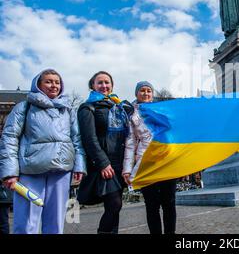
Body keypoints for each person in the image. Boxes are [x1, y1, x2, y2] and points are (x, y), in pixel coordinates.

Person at [0, 69, 86, 234]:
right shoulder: (23, 107)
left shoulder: (68, 110)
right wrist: (9, 172)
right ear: (38, 85)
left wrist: (79, 166)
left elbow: (77, 139)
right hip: (30, 171)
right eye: (48, 81)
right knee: (26, 224)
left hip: (61, 172)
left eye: (57, 82)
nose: (54, 85)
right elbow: (9, 138)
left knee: (55, 223)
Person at [77, 71, 133, 234]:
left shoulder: (118, 106)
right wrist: (102, 163)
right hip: (103, 164)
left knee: (114, 207)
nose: (104, 86)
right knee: (115, 204)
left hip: (119, 163)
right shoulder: (87, 108)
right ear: (92, 86)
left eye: (107, 82)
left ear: (112, 85)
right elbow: (89, 139)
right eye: (100, 83)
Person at [122, 81, 177, 234]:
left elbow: (174, 134)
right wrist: (127, 169)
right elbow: (130, 143)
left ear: (152, 94)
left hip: (166, 161)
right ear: (136, 94)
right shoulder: (132, 115)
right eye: (142, 91)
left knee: (169, 203)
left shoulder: (162, 110)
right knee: (152, 205)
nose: (146, 93)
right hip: (145, 163)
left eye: (149, 91)